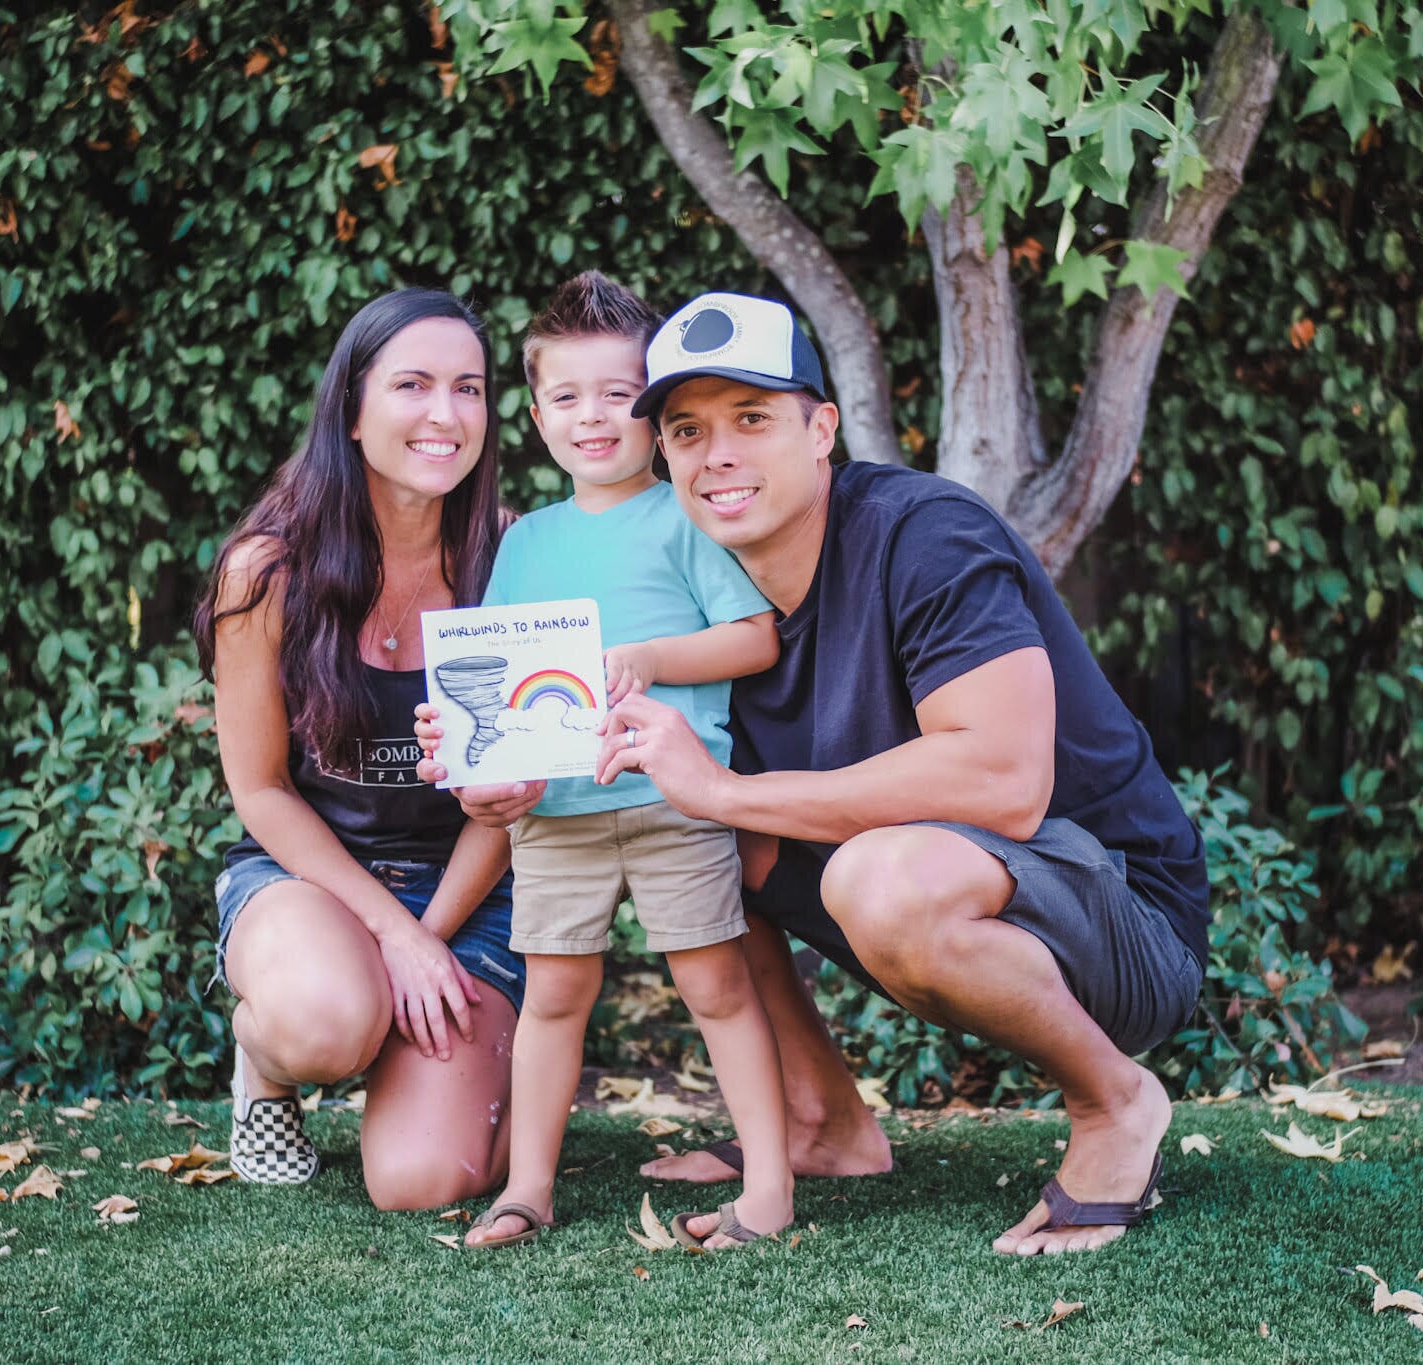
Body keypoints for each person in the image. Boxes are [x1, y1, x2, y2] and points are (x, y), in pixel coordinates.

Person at [444, 291, 1211, 1255]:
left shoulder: (924, 533)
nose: (717, 453)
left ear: (822, 430)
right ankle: (824, 1123)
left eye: (752, 419)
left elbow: (1004, 782)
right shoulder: (713, 606)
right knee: (715, 847)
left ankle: (1117, 1104)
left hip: (1124, 919)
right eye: (687, 430)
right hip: (984, 887)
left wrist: (718, 792)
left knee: (865, 873)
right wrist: (504, 773)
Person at [421, 273, 792, 1251]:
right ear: (535, 410)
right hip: (555, 813)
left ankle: (768, 1191)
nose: (592, 418)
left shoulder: (683, 514)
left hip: (673, 798)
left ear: (652, 406)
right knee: (552, 997)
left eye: (616, 395)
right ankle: (527, 1191)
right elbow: (495, 684)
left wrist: (649, 661)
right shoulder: (523, 543)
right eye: (564, 396)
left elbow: (754, 637)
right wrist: (471, 755)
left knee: (715, 986)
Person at [192, 289, 524, 1206]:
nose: (445, 415)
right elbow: (259, 790)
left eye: (469, 388)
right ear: (352, 405)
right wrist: (390, 934)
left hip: (467, 885)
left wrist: (428, 937)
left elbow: (512, 794)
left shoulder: (509, 557)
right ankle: (264, 1066)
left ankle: (455, 1067)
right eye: (412, 385)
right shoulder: (266, 571)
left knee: (423, 1181)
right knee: (324, 1021)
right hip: (308, 877)